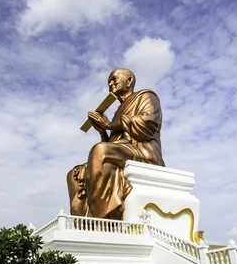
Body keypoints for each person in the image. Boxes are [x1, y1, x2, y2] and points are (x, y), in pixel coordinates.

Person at [67, 69, 165, 219]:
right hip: (123, 150)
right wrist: (102, 131)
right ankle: (82, 221)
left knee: (100, 150)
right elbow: (113, 144)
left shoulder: (146, 96)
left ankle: (99, 218)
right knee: (74, 175)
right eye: (109, 82)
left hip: (143, 150)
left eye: (114, 79)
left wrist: (109, 125)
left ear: (130, 80)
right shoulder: (119, 110)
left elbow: (148, 124)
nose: (111, 84)